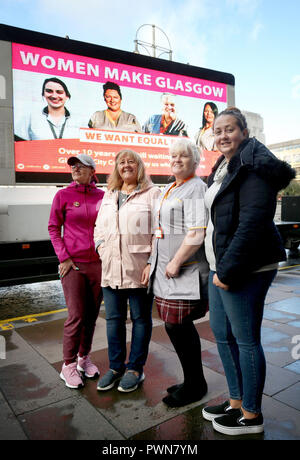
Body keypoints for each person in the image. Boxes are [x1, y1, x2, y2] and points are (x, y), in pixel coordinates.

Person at [202, 107, 295, 435]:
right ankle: (236, 401)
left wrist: (226, 271)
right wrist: (216, 265)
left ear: (243, 132)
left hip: (246, 267)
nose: (223, 135)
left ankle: (252, 415)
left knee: (245, 339)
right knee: (223, 336)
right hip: (222, 263)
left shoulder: (253, 166)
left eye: (230, 129)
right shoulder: (224, 166)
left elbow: (252, 222)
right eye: (218, 131)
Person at [148, 138, 209, 407]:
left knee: (178, 325)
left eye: (183, 156)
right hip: (165, 270)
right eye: (173, 156)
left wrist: (176, 261)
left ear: (195, 162)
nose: (176, 160)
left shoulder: (196, 188)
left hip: (182, 269)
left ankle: (197, 384)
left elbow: (196, 233)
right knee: (174, 326)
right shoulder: (170, 188)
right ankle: (191, 379)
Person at [94, 149, 160, 392]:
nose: (126, 165)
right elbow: (98, 228)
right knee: (114, 321)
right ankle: (115, 368)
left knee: (141, 320)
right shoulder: (109, 194)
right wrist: (101, 249)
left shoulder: (152, 194)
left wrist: (152, 262)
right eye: (121, 162)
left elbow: (159, 232)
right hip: (111, 270)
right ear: (116, 168)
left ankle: (135, 369)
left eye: (131, 161)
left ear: (139, 166)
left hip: (138, 269)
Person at [48, 154, 104, 389]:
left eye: (80, 166)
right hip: (74, 264)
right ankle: (68, 365)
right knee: (76, 316)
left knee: (91, 317)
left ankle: (83, 359)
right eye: (73, 166)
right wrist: (64, 257)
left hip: (98, 265)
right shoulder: (63, 195)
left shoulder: (103, 196)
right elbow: (53, 227)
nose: (75, 169)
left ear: (92, 170)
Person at [15, 77, 83, 140]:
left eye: (59, 92)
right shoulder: (30, 118)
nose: (54, 96)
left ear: (67, 96)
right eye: (49, 91)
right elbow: (19, 144)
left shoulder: (80, 121)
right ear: (43, 94)